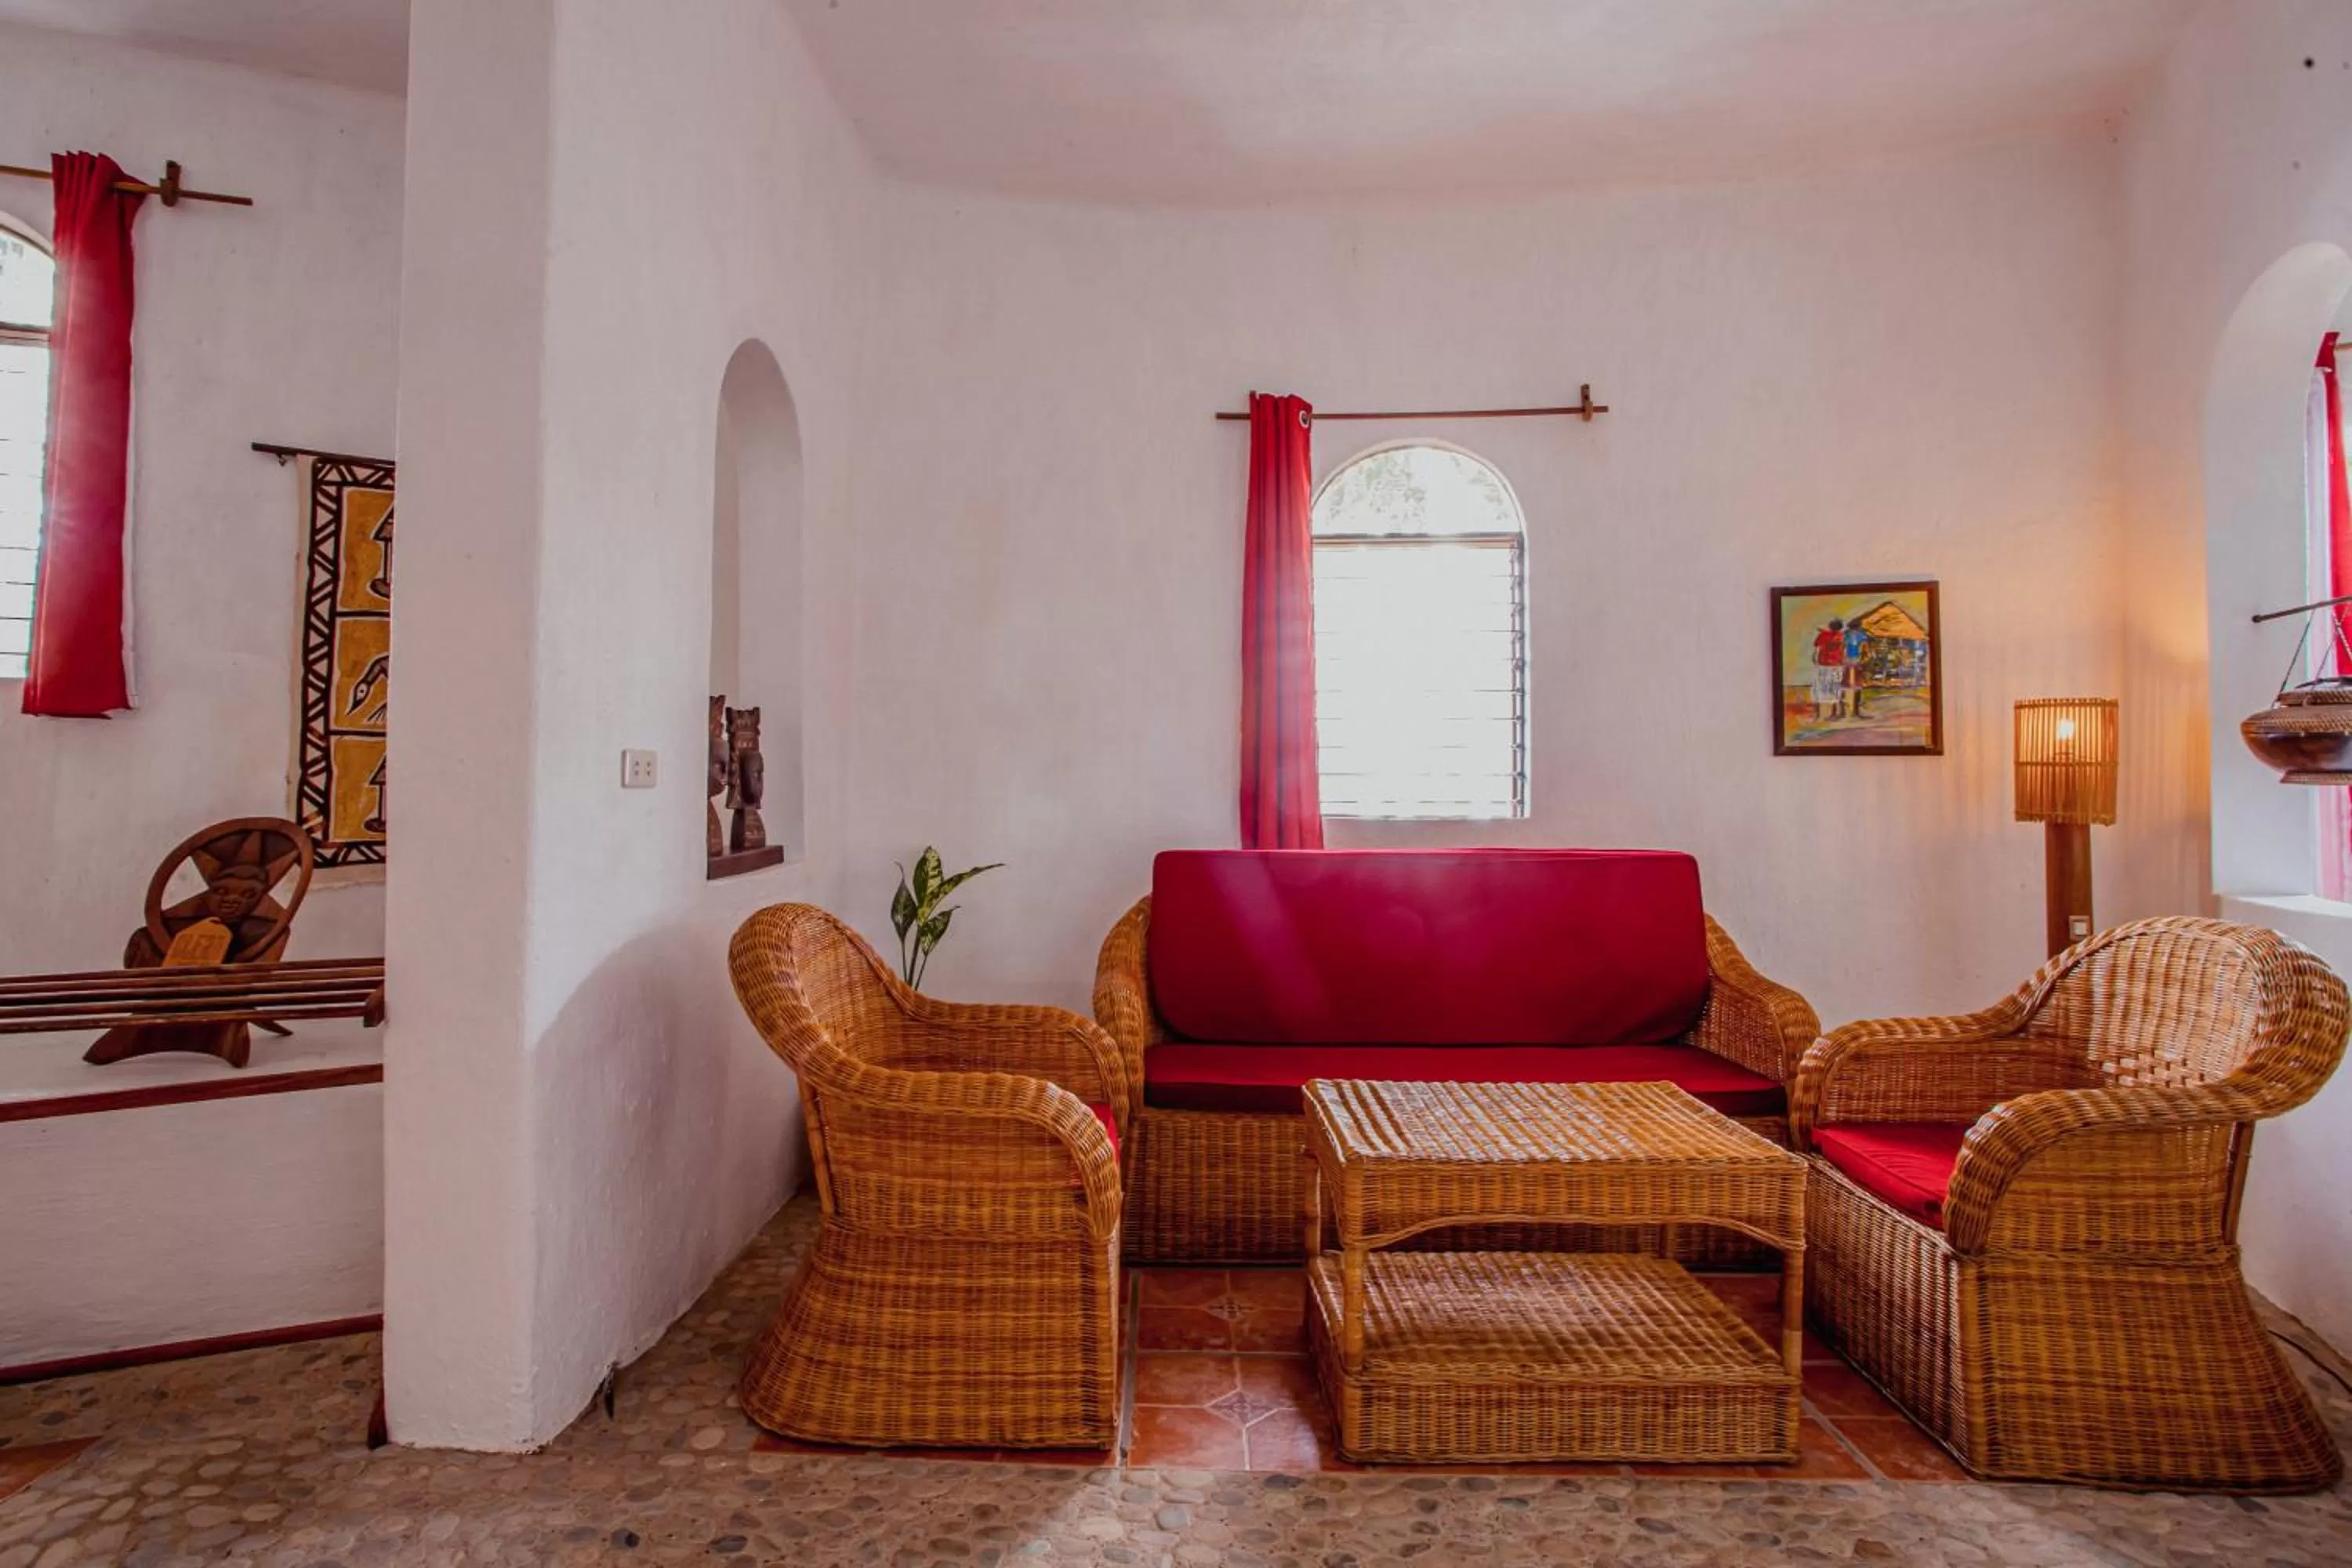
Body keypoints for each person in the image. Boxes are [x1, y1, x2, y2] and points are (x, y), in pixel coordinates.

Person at [1810, 618, 1846, 721]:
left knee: (1818, 689)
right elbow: (1844, 650)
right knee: (1835, 688)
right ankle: (1835, 713)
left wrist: (1815, 659)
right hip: (1837, 665)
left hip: (1823, 664)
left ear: (1830, 626)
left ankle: (1817, 714)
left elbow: (1816, 649)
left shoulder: (1823, 635)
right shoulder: (1842, 636)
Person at [1843, 615, 1871, 720]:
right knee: (1857, 687)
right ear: (1859, 626)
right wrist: (1863, 662)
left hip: (1845, 663)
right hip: (1857, 663)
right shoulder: (1862, 637)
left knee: (1844, 686)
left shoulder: (1844, 636)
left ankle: (1843, 711)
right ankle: (1856, 711)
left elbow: (1842, 650)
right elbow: (1866, 653)